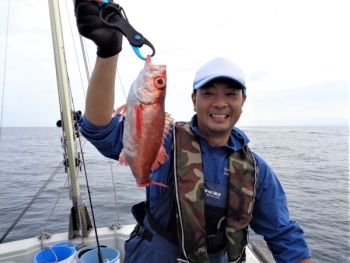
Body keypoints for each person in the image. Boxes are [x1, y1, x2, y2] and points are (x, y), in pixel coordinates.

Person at [75, 1, 314, 262]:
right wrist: (108, 52)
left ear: (243, 102)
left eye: (231, 94)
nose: (220, 103)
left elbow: (284, 235)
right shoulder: (166, 142)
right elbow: (99, 130)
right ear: (193, 100)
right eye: (208, 93)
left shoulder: (257, 171)